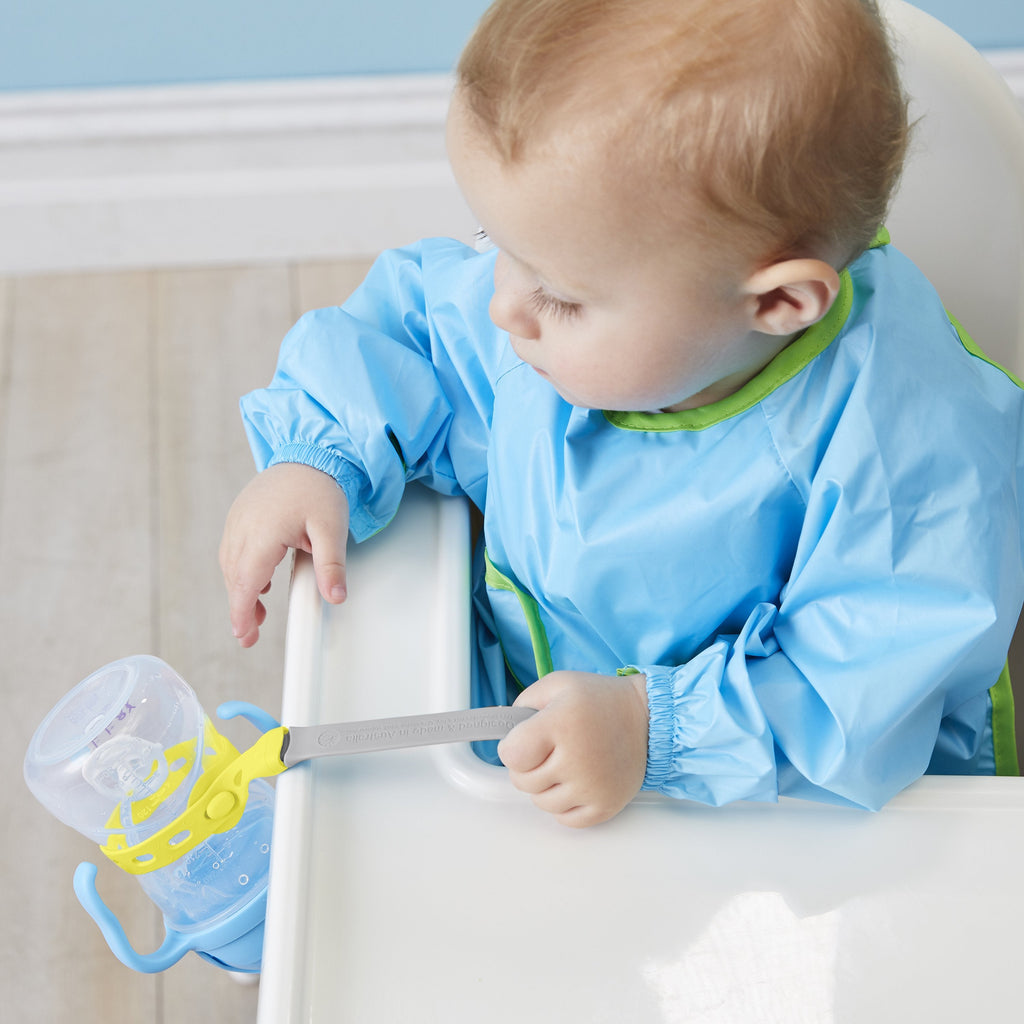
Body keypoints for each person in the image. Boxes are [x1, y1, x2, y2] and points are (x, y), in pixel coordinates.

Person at [219, 0, 1024, 828]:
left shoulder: (914, 447)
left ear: (779, 300)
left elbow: (862, 689)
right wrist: (316, 452)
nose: (502, 306)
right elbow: (413, 329)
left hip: (782, 807)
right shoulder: (552, 297)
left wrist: (655, 731)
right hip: (552, 733)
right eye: (492, 242)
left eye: (560, 296)